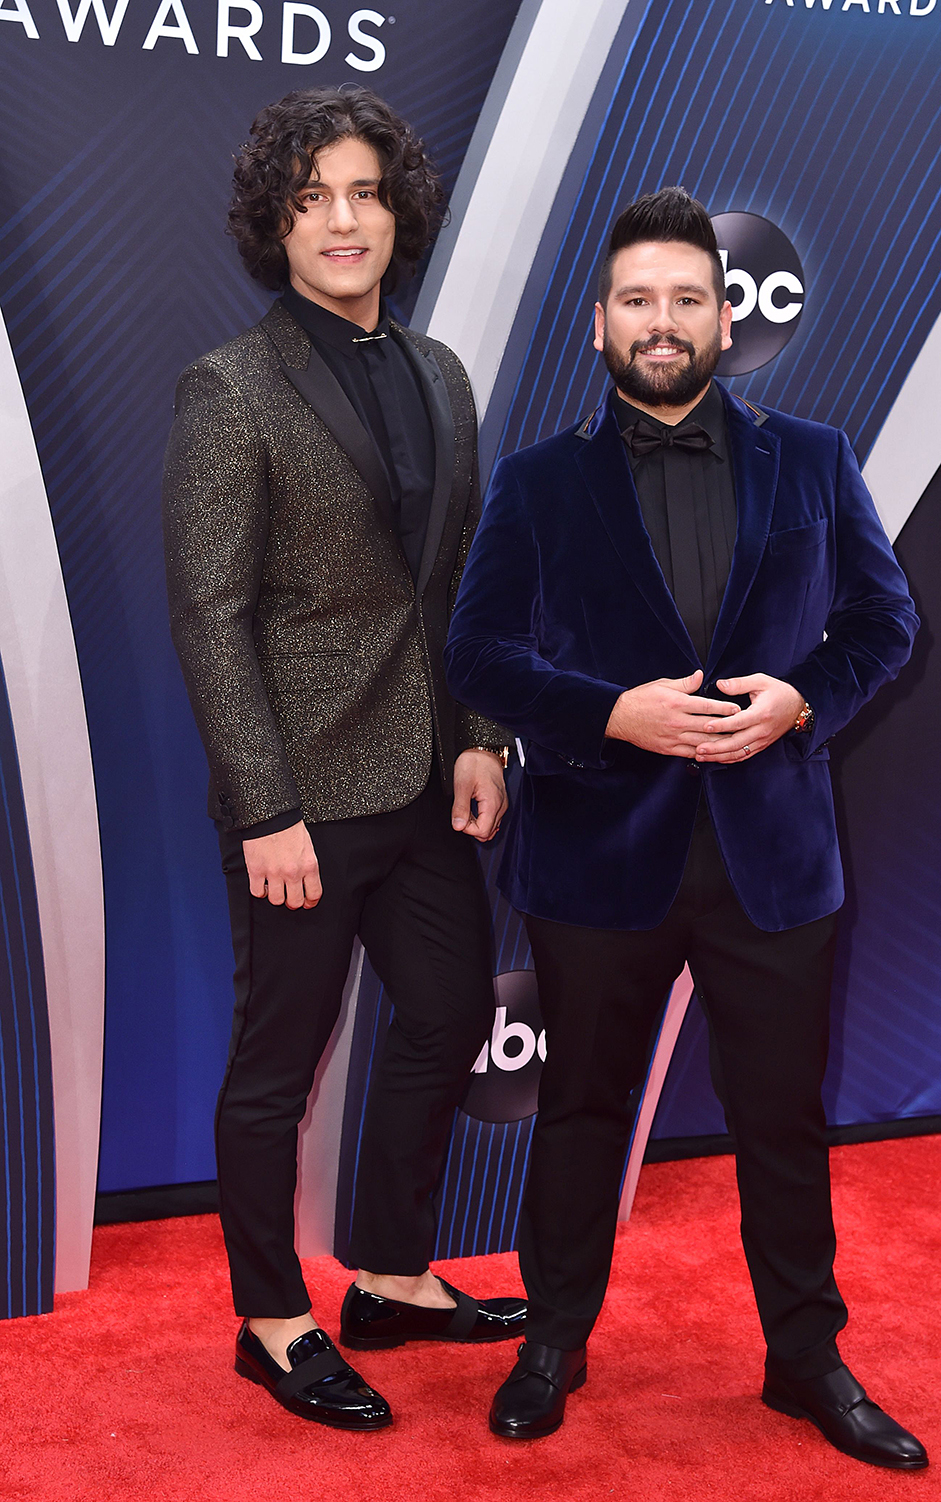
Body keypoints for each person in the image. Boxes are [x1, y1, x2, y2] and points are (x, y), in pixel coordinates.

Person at [445, 187, 927, 1468]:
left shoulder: (815, 457)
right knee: (582, 1111)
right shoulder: (536, 481)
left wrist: (797, 701)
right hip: (598, 858)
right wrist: (613, 714)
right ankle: (551, 1338)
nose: (664, 322)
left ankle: (805, 1357)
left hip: (773, 854)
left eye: (687, 298)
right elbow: (479, 649)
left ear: (728, 315)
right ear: (597, 327)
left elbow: (885, 624)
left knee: (782, 1116)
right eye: (637, 301)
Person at [162, 84, 524, 1432]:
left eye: (365, 191)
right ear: (277, 223)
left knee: (440, 1017)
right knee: (278, 1062)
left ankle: (383, 1270)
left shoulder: (440, 374)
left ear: (397, 211)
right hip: (302, 799)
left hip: (432, 778)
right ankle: (272, 1317)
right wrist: (264, 807)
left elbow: (468, 583)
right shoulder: (230, 388)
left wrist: (483, 737)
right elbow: (211, 614)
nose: (343, 219)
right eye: (313, 198)